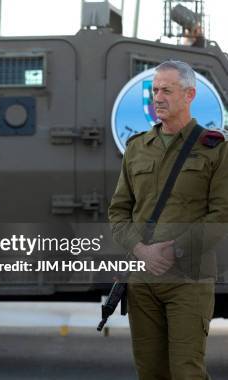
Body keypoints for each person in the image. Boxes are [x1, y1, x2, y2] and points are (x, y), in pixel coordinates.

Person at [108, 60, 228, 380]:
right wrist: (141, 251)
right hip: (142, 281)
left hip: (189, 280)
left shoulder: (215, 149)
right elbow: (118, 211)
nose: (157, 98)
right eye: (154, 91)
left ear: (189, 95)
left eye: (167, 90)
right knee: (150, 372)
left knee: (187, 372)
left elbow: (221, 214)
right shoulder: (137, 149)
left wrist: (172, 251)